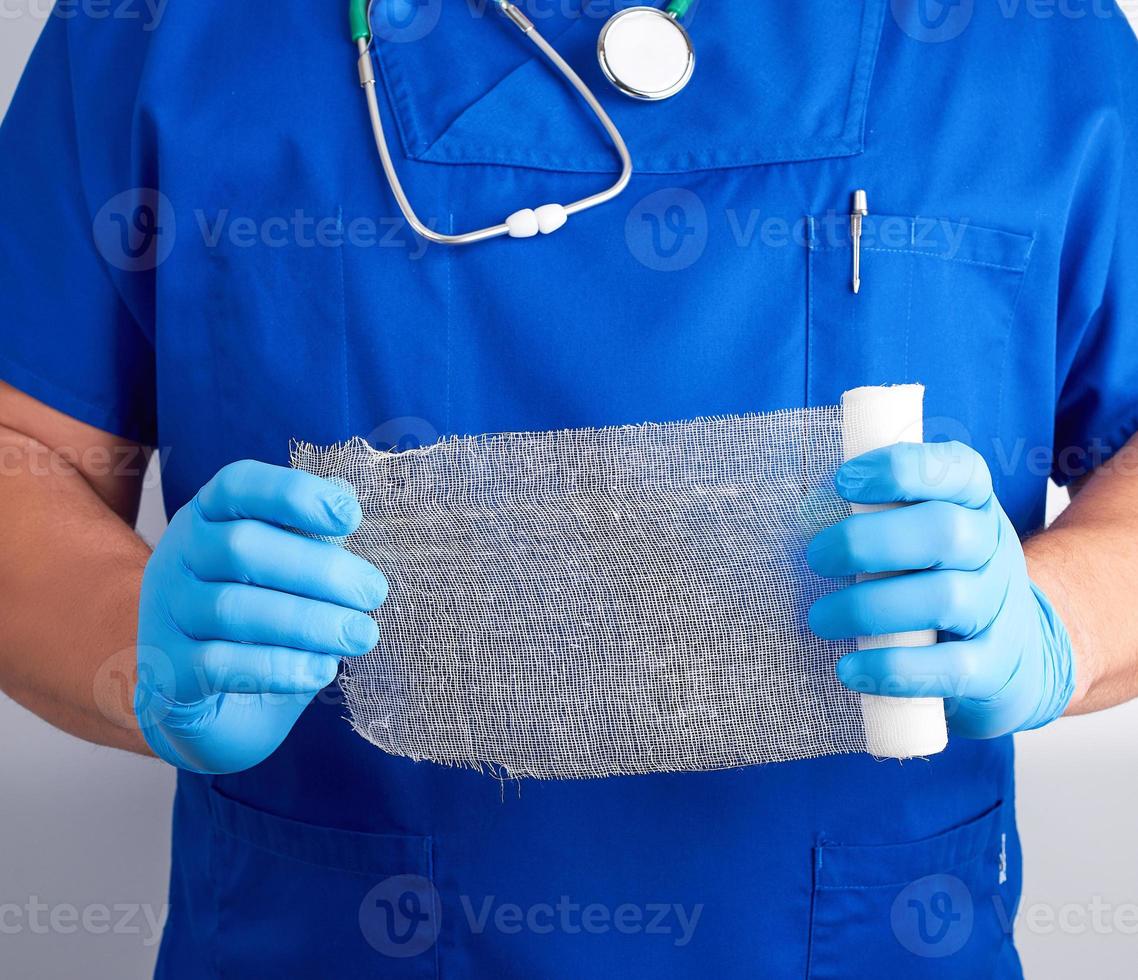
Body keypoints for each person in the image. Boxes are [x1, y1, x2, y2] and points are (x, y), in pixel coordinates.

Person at [1, 1, 1136, 976]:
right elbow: (24, 450)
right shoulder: (163, 31)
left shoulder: (1020, 39)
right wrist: (124, 639)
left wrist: (1057, 621)